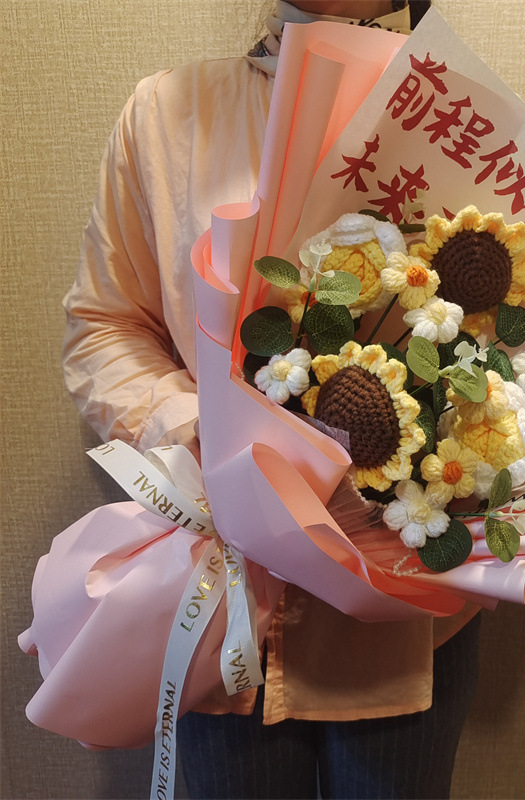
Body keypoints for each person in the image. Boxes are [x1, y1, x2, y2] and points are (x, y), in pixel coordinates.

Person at [62, 1, 481, 797]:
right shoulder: (166, 114)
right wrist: (206, 434)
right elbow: (106, 324)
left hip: (407, 602)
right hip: (219, 584)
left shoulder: (473, 127)